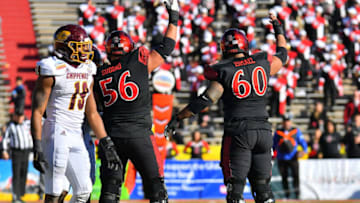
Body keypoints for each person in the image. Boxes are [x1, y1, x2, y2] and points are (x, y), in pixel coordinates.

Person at [166, 12, 288, 203]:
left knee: (235, 190)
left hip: (239, 132)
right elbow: (283, 53)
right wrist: (278, 28)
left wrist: (178, 117)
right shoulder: (263, 62)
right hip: (264, 131)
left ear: (224, 48)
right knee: (263, 190)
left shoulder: (224, 70)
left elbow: (206, 99)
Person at [93, 1, 179, 202]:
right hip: (140, 136)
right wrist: (174, 18)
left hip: (111, 137)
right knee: (156, 188)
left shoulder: (99, 75)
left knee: (110, 190)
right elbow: (168, 46)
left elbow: (94, 107)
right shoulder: (138, 62)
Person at [30, 24, 120, 203]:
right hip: (56, 131)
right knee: (56, 190)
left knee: (83, 191)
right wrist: (37, 145)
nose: (85, 51)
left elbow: (92, 112)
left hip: (77, 133)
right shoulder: (52, 69)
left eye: (86, 47)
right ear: (64, 48)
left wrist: (106, 142)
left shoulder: (88, 70)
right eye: (79, 47)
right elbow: (38, 111)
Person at [273, 114, 307, 199]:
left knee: (296, 176)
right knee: (284, 177)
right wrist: (272, 154)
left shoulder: (296, 131)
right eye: (285, 121)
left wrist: (304, 150)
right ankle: (287, 195)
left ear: (290, 122)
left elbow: (302, 142)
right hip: (282, 158)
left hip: (293, 158)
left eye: (288, 121)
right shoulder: (278, 132)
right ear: (282, 122)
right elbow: (274, 144)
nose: (287, 123)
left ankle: (297, 194)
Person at [2, 113, 33, 203]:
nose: (20, 118)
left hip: (26, 151)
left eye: (21, 116)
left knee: (24, 173)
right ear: (15, 116)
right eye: (18, 116)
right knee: (16, 174)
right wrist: (4, 151)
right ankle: (15, 196)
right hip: (16, 152)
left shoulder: (26, 123)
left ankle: (22, 195)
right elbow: (5, 138)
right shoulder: (11, 126)